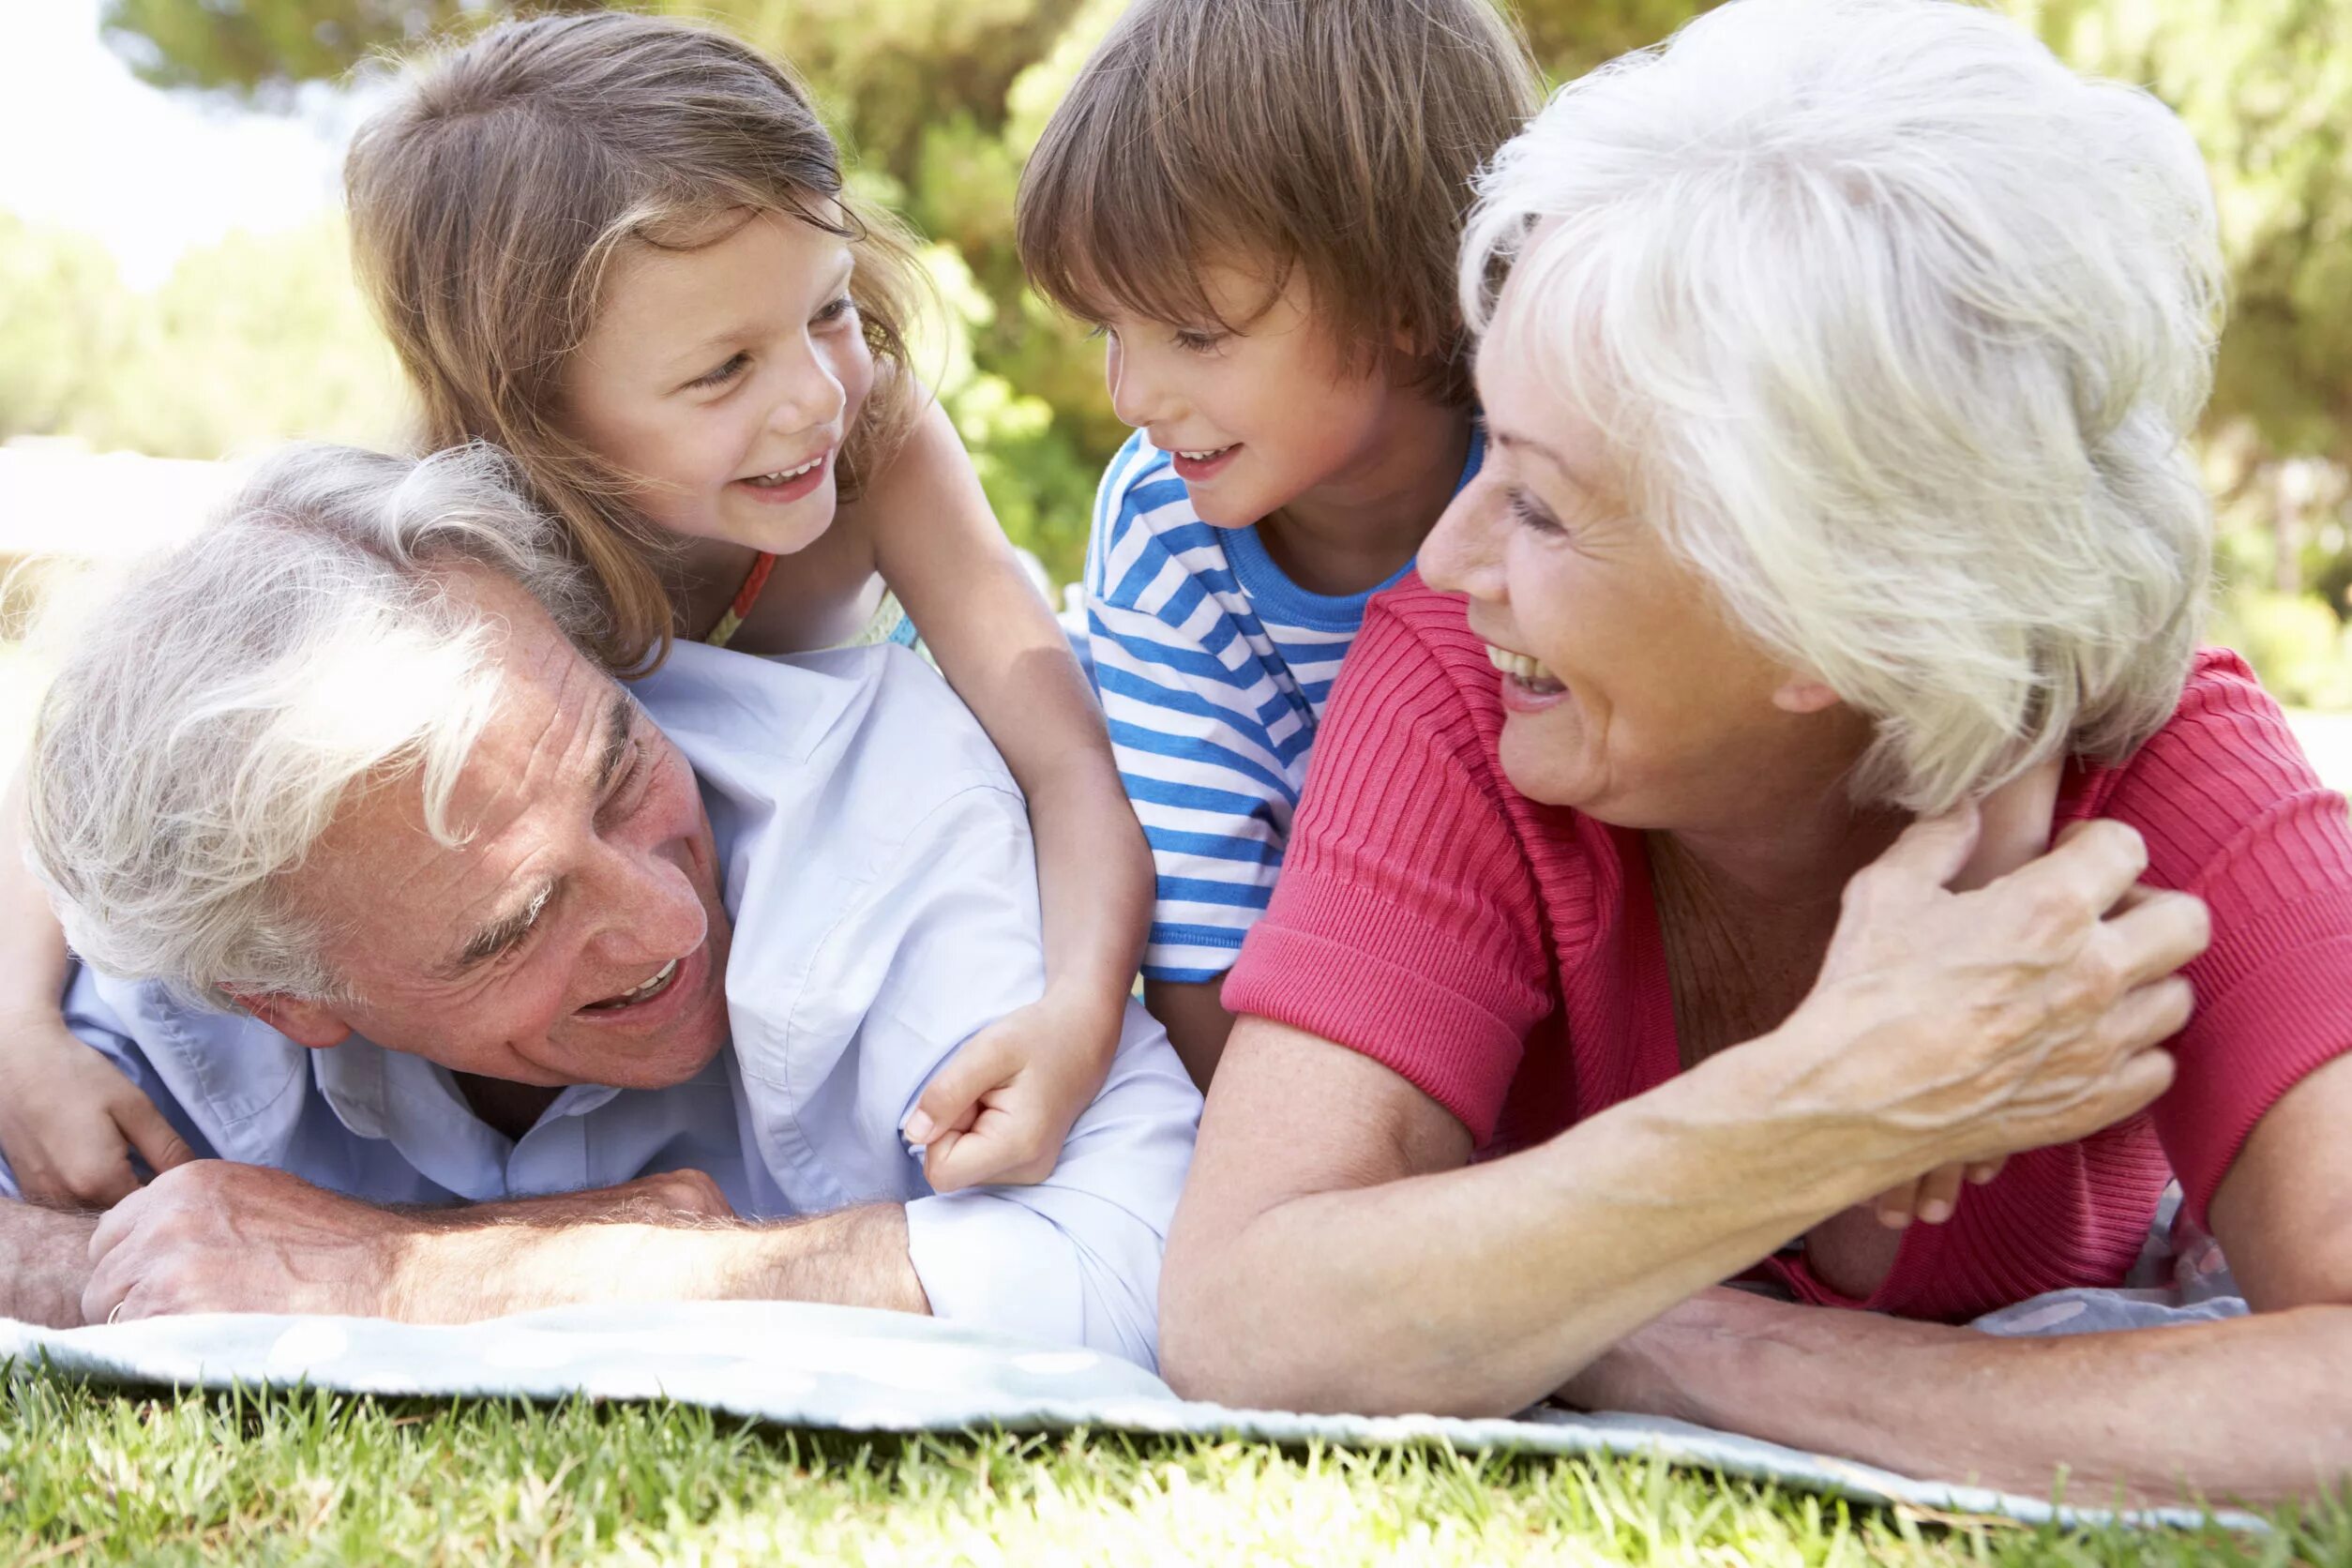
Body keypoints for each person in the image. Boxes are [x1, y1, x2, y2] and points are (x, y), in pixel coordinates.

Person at [1160, 0, 2352, 1503]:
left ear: (1820, 609)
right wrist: (1820, 1105)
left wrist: (1683, 1345)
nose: (1452, 556)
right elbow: (1244, 1310)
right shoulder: (1466, 696)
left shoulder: (2167, 766)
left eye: (1534, 502)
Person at [0, 10, 1154, 1206]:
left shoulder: (878, 446)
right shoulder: (450, 526)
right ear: (533, 408)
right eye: (723, 369)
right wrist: (20, 1025)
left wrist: (1076, 1011)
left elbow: (1065, 758)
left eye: (828, 308)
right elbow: (96, 764)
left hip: (907, 888)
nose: (816, 396)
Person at [0, 444, 1199, 1371]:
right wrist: (110, 1264)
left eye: (623, 771)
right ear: (284, 997)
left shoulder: (887, 806)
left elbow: (1149, 1265)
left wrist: (400, 1272)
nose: (673, 922)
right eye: (514, 923)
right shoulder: (206, 923)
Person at [1013, 0, 1542, 1082]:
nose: (1132, 395)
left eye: (1195, 335)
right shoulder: (1165, 530)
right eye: (1111, 330)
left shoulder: (1550, 466)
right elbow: (1204, 947)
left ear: (1401, 292)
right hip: (1323, 1016)